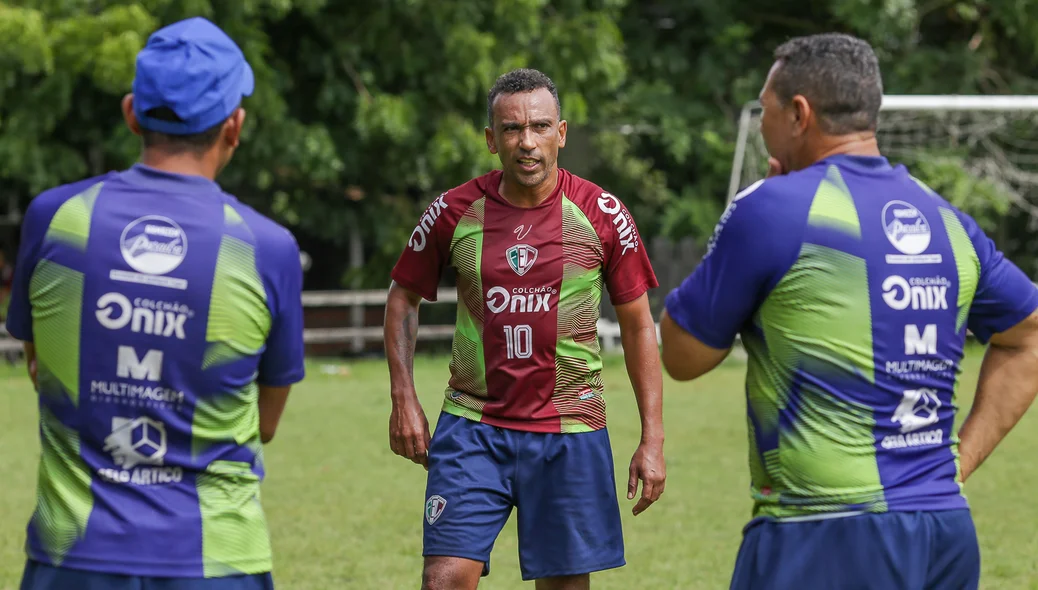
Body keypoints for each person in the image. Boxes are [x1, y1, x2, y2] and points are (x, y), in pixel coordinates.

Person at [659, 32, 1038, 590]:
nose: (762, 123)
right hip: (944, 534)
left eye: (764, 109)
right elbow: (1028, 337)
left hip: (823, 532)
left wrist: (740, 211)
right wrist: (955, 466)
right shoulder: (947, 220)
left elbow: (682, 354)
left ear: (798, 114)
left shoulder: (772, 210)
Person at [5, 16, 305, 590]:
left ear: (131, 114)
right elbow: (265, 422)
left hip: (72, 558)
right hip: (217, 560)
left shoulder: (55, 219)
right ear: (234, 127)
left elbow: (42, 370)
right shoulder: (265, 248)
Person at [384, 68, 666, 590]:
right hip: (473, 427)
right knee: (443, 580)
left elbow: (638, 326)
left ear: (561, 133)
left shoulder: (602, 214)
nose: (527, 142)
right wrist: (404, 396)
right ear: (492, 140)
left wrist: (653, 438)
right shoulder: (452, 212)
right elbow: (402, 299)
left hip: (571, 432)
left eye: (539, 126)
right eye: (512, 129)